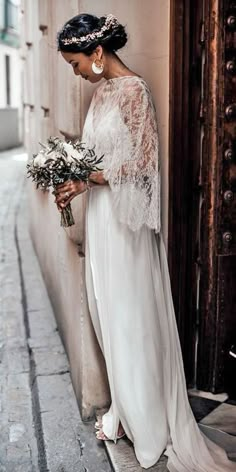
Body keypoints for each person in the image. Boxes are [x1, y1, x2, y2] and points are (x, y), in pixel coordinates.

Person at [55, 13, 236, 471]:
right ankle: (126, 409)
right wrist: (78, 181)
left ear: (96, 53)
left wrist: (85, 177)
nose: (75, 71)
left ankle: (150, 422)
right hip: (101, 220)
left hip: (126, 227)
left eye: (76, 62)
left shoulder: (136, 92)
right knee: (107, 313)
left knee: (130, 315)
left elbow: (140, 166)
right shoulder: (101, 95)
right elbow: (100, 162)